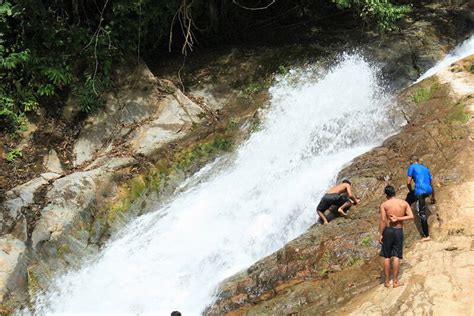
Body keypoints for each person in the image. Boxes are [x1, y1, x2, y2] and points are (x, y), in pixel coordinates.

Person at [379, 185, 414, 288]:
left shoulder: (384, 204)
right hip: (398, 230)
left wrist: (381, 234)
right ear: (395, 192)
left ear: (386, 195)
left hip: (388, 231)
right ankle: (395, 282)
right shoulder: (404, 203)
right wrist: (398, 218)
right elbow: (411, 216)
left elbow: (383, 220)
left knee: (387, 256)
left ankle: (386, 281)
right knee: (397, 256)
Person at [406, 155, 435, 241]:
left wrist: (410, 189)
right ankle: (406, 209)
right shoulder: (426, 168)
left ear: (411, 161)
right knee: (409, 197)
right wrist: (432, 197)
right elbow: (431, 184)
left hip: (420, 192)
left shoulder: (411, 167)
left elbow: (408, 182)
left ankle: (426, 236)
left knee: (422, 213)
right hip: (428, 190)